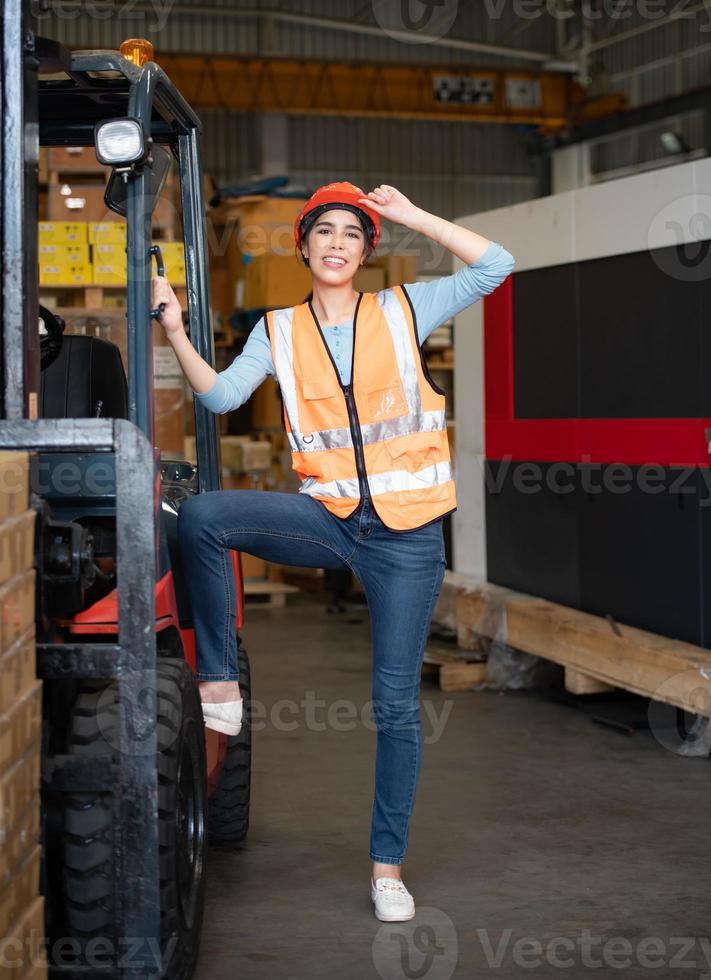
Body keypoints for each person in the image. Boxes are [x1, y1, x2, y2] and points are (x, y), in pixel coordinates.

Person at [152, 181, 514, 922]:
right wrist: (176, 332)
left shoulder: (404, 306)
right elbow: (221, 398)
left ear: (365, 249)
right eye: (325, 232)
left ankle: (387, 871)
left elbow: (496, 264)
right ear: (304, 246)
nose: (338, 243)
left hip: (407, 536)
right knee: (205, 517)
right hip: (332, 519)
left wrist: (411, 214)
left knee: (395, 709)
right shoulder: (277, 329)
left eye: (352, 233)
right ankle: (219, 686)